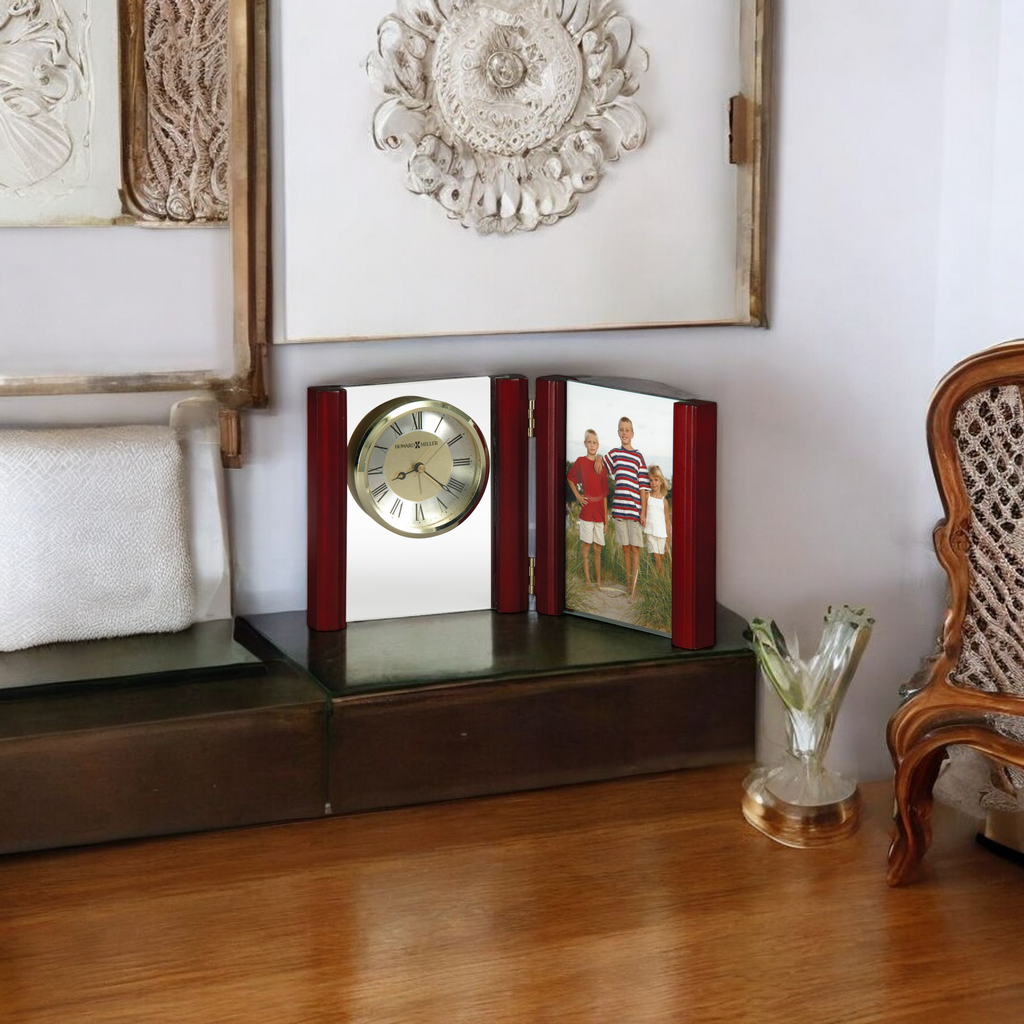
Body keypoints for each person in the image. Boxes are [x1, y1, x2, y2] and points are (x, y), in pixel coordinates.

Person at [604, 416, 650, 597]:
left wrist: (643, 512)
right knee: (625, 548)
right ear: (618, 432)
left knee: (635, 548)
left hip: (635, 510)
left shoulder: (638, 457)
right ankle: (628, 584)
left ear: (632, 434)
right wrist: (597, 460)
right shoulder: (614, 454)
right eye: (621, 430)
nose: (624, 433)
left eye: (627, 430)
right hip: (619, 509)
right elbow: (600, 465)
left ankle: (635, 587)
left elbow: (643, 487)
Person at [567, 429, 608, 589]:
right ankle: (587, 581)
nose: (591, 445)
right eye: (589, 442)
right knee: (586, 546)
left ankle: (598, 582)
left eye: (594, 442)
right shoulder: (580, 462)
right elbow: (570, 478)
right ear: (585, 443)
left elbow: (604, 495)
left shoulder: (602, 467)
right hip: (586, 512)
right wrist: (578, 495)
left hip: (599, 513)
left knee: (598, 549)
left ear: (598, 445)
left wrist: (606, 519)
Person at [644, 465, 671, 575]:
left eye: (656, 480)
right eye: (651, 480)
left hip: (662, 535)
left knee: (662, 560)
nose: (653, 483)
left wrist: (668, 540)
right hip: (651, 533)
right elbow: (643, 513)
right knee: (657, 560)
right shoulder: (647, 496)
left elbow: (667, 522)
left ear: (661, 482)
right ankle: (655, 584)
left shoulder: (664, 502)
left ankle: (661, 581)